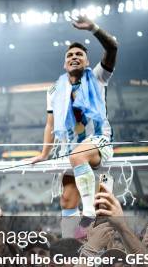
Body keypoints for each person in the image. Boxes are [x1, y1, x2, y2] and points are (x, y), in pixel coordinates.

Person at [29, 15, 118, 224]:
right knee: (67, 201)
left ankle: (89, 212)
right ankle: (71, 243)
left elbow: (113, 47)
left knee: (79, 156)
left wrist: (93, 28)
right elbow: (50, 124)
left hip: (97, 143)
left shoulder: (97, 77)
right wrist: (44, 154)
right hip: (71, 150)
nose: (74, 57)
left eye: (79, 54)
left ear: (87, 61)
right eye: (70, 55)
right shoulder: (54, 91)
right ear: (64, 63)